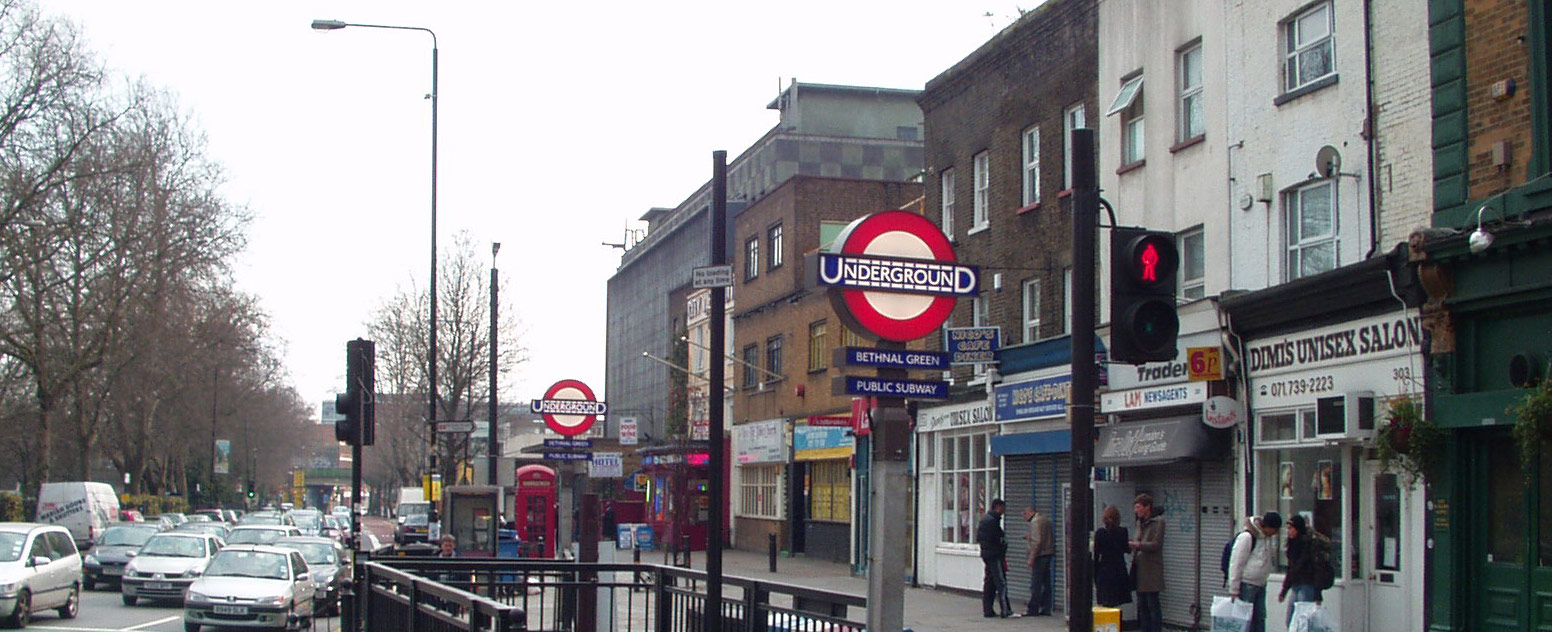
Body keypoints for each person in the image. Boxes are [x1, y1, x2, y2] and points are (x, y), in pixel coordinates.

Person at [1227, 511, 1282, 632]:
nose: (1276, 533)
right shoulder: (1247, 537)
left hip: (1261, 584)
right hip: (1247, 584)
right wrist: (1234, 588)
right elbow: (1236, 563)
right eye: (1275, 529)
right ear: (1268, 526)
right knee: (1246, 619)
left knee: (1260, 617)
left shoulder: (1266, 538)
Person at [1278, 514, 1327, 625]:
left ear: (1298, 529)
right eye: (1288, 529)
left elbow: (1316, 569)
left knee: (1302, 620)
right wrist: (1284, 590)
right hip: (1296, 585)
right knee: (1290, 620)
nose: (1289, 531)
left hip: (1307, 585)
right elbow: (1291, 569)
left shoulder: (1308, 545)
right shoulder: (1291, 545)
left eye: (1291, 528)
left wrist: (1318, 594)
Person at [1130, 494, 1165, 632]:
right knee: (1142, 604)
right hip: (1139, 567)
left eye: (1138, 507)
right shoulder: (1140, 523)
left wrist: (1138, 545)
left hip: (1151, 569)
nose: (1136, 510)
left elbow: (1156, 544)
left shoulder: (1158, 522)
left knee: (1152, 604)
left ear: (1147, 507)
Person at [976, 498, 1016, 618]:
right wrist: (1002, 547)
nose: (1004, 511)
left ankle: (988, 610)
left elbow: (980, 538)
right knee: (1001, 583)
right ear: (998, 507)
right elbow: (996, 539)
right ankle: (1006, 611)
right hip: (995, 556)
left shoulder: (985, 520)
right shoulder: (992, 521)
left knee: (989, 582)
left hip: (987, 555)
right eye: (1003, 508)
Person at [1093, 505, 1132, 608]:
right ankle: (1117, 622)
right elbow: (1126, 549)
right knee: (1116, 602)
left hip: (1104, 570)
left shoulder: (1100, 533)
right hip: (1118, 570)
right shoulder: (1123, 532)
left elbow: (1096, 554)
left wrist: (1095, 575)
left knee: (1105, 602)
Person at [1023, 506, 1054, 616]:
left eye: (1025, 515)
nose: (1025, 518)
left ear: (1029, 512)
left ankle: (1033, 608)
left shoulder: (1035, 522)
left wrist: (1031, 558)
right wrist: (1029, 537)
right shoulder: (1045, 519)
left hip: (1039, 556)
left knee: (1036, 583)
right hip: (1048, 553)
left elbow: (1037, 541)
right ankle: (1046, 607)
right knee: (1047, 583)